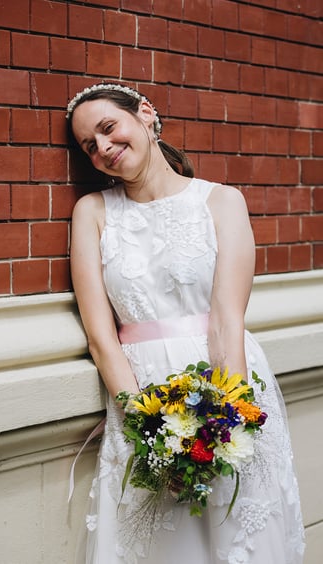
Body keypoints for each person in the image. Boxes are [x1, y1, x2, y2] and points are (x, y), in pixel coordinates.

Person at [67, 83, 305, 564]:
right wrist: (148, 430)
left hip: (223, 389)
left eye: (108, 128)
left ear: (146, 115)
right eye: (90, 146)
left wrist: (226, 426)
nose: (104, 149)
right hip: (142, 399)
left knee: (235, 536)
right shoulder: (92, 213)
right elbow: (100, 337)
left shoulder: (222, 202)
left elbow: (225, 323)